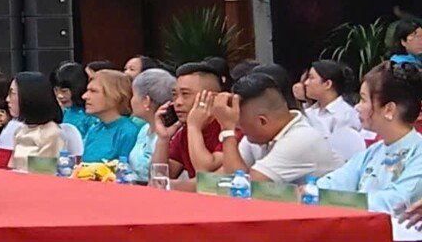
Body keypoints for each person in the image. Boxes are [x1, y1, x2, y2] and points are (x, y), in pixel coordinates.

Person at [324, 62, 422, 242]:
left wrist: (337, 201)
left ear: (388, 109)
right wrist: (313, 191)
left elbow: (396, 201)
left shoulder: (418, 152)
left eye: (363, 99)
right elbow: (336, 181)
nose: (357, 107)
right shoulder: (373, 151)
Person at [212, 73, 344, 185]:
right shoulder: (257, 137)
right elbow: (222, 177)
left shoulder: (301, 139)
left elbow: (244, 188)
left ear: (262, 121)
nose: (238, 128)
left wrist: (227, 131)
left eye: (240, 124)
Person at [150, 61, 226, 180]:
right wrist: (163, 139)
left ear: (212, 97)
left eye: (185, 94)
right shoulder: (184, 131)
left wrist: (194, 127)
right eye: (175, 95)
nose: (178, 102)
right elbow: (161, 175)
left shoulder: (229, 128)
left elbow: (206, 175)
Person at [0, 72, 83, 170]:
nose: (7, 99)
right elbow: (11, 166)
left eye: (12, 94)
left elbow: (43, 173)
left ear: (30, 96)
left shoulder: (51, 133)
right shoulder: (20, 131)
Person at [298, 59, 367, 160]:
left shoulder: (347, 115)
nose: (306, 83)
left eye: (311, 78)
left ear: (327, 84)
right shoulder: (307, 113)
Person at [78, 70, 143, 165]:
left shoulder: (128, 132)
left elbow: (124, 172)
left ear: (115, 95)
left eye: (93, 91)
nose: (84, 96)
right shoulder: (94, 128)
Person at [127, 67, 176, 179]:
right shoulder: (144, 129)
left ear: (146, 101)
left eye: (133, 95)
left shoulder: (172, 134)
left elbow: (159, 177)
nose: (131, 100)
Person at [53, 62, 98, 139]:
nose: (59, 95)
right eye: (56, 90)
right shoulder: (61, 112)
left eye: (64, 91)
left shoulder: (90, 116)